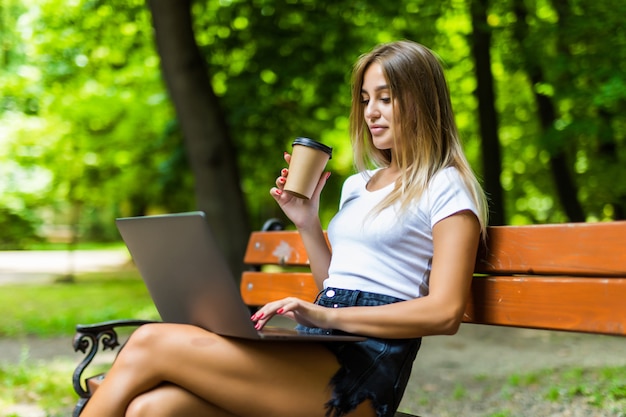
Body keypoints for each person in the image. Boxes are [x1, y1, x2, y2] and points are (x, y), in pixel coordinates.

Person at [80, 40, 488, 417]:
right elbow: (335, 281)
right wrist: (307, 223)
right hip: (317, 347)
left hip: (361, 376)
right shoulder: (357, 185)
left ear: (424, 101)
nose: (370, 112)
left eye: (386, 98)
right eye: (365, 99)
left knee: (152, 341)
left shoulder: (444, 185)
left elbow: (444, 312)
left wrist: (325, 315)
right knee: (154, 409)